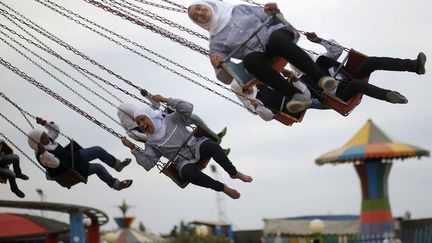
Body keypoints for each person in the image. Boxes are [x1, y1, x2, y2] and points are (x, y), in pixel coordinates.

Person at [188, 1, 339, 113]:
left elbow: (269, 16)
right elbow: (225, 79)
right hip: (260, 55)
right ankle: (297, 96)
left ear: (208, 4)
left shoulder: (238, 10)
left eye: (200, 8)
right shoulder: (215, 42)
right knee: (250, 61)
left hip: (275, 35)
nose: (200, 14)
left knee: (275, 40)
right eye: (196, 17)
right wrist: (219, 64)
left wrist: (273, 11)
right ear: (196, 22)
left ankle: (321, 78)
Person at [121, 94, 252, 199]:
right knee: (188, 174)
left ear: (151, 116)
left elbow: (187, 108)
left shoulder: (171, 119)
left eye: (143, 119)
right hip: (183, 162)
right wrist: (132, 147)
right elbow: (147, 164)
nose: (142, 124)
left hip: (196, 146)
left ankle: (233, 173)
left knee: (211, 146)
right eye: (139, 123)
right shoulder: (150, 144)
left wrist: (166, 100)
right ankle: (223, 188)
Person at [298, 32, 427, 104]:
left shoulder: (320, 60)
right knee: (356, 83)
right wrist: (292, 79)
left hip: (348, 77)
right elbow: (307, 95)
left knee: (370, 62)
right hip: (341, 95)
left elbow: (337, 50)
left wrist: (319, 40)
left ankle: (414, 66)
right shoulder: (301, 80)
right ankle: (388, 95)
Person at [27, 117, 133, 190]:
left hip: (75, 156)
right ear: (38, 142)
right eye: (43, 138)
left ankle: (117, 165)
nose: (47, 138)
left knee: (98, 150)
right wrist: (44, 152)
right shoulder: (41, 156)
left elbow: (55, 130)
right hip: (72, 168)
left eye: (45, 135)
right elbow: (55, 163)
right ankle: (116, 185)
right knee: (99, 168)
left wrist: (44, 122)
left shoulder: (49, 141)